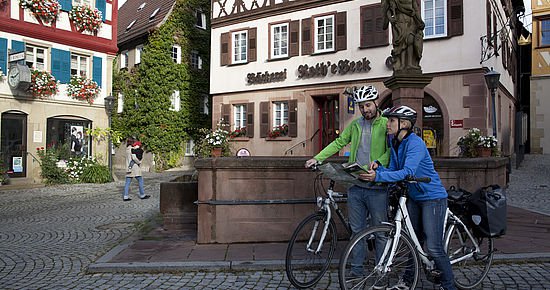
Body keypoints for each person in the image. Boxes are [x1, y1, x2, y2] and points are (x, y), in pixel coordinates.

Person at [363, 105, 455, 290]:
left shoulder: (415, 143)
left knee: (434, 246)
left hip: (432, 197)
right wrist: (378, 168)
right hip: (414, 196)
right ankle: (407, 280)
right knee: (414, 242)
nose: (387, 124)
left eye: (391, 121)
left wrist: (379, 176)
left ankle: (449, 285)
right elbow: (395, 170)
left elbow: (407, 172)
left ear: (404, 123)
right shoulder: (396, 142)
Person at [305, 85, 390, 277]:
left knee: (380, 231)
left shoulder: (386, 124)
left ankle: (381, 270)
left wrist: (378, 163)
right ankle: (357, 269)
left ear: (376, 103)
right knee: (357, 230)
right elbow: (339, 142)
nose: (365, 109)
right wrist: (317, 158)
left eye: (368, 105)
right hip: (356, 184)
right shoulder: (356, 125)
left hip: (377, 186)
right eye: (361, 106)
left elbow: (391, 150)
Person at [382, 0, 425, 72]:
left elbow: (416, 9)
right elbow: (387, 10)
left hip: (411, 21)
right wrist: (391, 18)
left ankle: (410, 63)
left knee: (410, 41)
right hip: (399, 21)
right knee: (401, 44)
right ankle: (401, 64)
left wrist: (419, 21)